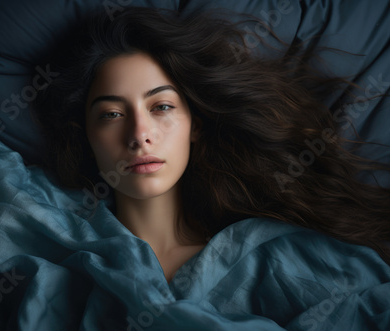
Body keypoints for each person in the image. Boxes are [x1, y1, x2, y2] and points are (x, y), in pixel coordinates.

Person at [33, 7, 390, 282]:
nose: (139, 134)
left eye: (162, 107)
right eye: (111, 114)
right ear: (86, 135)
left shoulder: (271, 258)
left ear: (195, 127)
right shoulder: (53, 247)